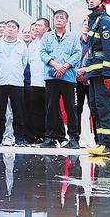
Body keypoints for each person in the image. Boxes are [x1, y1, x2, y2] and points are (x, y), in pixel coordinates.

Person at [78, 0, 110, 157]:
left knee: (106, 107)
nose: (91, 0)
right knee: (97, 108)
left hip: (104, 73)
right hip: (95, 73)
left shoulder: (105, 21)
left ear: (103, 2)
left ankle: (109, 144)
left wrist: (108, 74)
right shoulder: (95, 20)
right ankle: (102, 142)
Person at [40, 10, 82, 149]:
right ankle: (50, 138)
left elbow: (77, 53)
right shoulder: (47, 36)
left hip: (68, 77)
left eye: (62, 18)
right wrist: (55, 65)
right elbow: (43, 52)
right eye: (56, 18)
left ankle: (74, 138)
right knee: (51, 107)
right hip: (51, 76)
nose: (59, 20)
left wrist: (64, 66)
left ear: (66, 21)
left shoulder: (73, 37)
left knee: (71, 108)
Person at [0, 20, 28, 147]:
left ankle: (19, 139)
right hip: (0, 81)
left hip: (16, 82)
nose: (10, 29)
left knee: (18, 113)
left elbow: (24, 62)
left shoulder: (22, 45)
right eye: (8, 26)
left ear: (17, 31)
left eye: (13, 27)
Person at [25, 18, 49, 145]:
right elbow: (28, 62)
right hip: (35, 82)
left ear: (46, 28)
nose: (36, 29)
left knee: (49, 110)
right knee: (36, 111)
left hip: (48, 81)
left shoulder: (50, 41)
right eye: (35, 26)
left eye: (39, 26)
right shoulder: (32, 44)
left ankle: (50, 136)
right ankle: (39, 136)